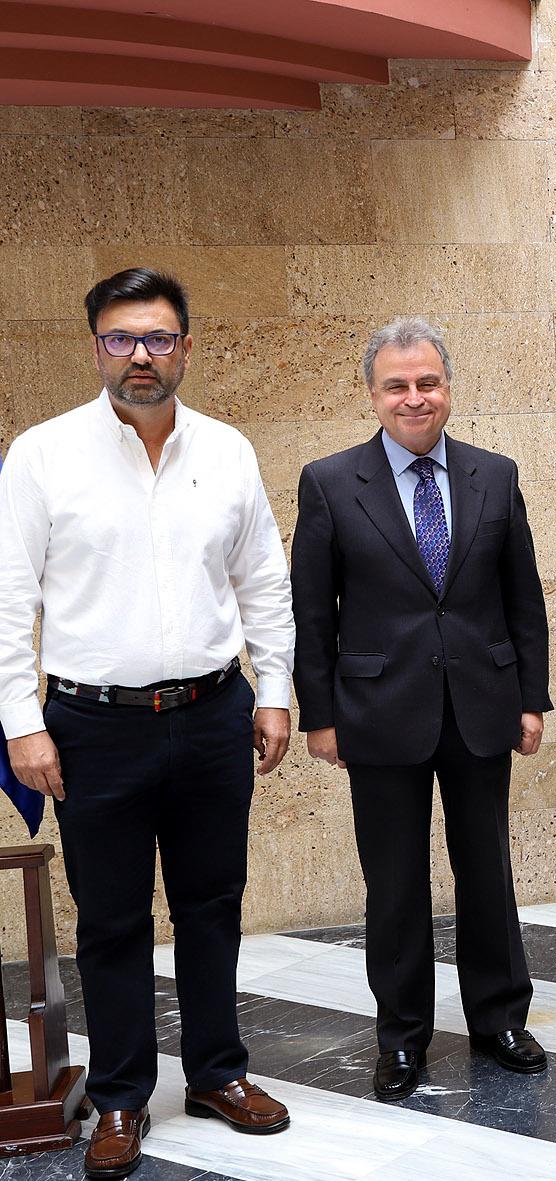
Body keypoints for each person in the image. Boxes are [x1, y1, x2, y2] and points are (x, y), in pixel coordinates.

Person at [0, 268, 294, 1179]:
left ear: (185, 347)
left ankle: (217, 1072)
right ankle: (122, 1096)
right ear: (95, 347)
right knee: (113, 919)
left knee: (214, 905)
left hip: (213, 716)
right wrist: (20, 722)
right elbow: (8, 603)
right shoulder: (41, 456)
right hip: (92, 728)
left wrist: (275, 687)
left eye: (157, 338)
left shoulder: (230, 451)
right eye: (121, 339)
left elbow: (263, 584)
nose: (139, 356)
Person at [291, 317, 553, 1101]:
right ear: (373, 394)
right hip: (377, 712)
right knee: (395, 884)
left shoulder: (494, 475)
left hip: (482, 706)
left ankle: (500, 1017)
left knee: (487, 872)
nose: (415, 397)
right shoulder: (331, 481)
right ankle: (401, 1037)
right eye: (398, 385)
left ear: (448, 386)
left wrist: (531, 698)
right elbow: (313, 613)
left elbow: (524, 601)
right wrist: (320, 714)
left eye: (428, 382)